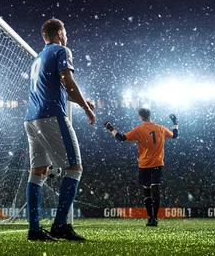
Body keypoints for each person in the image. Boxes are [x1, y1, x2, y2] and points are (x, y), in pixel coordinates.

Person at [24, 18, 95, 241]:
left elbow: (60, 90)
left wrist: (82, 101)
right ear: (60, 33)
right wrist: (86, 109)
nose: (67, 36)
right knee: (75, 168)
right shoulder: (62, 50)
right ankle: (60, 225)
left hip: (31, 118)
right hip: (51, 116)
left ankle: (34, 230)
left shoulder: (38, 58)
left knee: (39, 171)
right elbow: (68, 81)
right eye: (65, 32)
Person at [104, 108, 178, 226]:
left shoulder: (139, 129)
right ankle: (155, 218)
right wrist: (175, 123)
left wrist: (110, 128)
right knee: (156, 191)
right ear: (150, 115)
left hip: (144, 166)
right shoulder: (161, 128)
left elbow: (121, 138)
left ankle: (150, 218)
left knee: (147, 192)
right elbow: (174, 135)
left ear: (141, 117)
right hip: (157, 164)